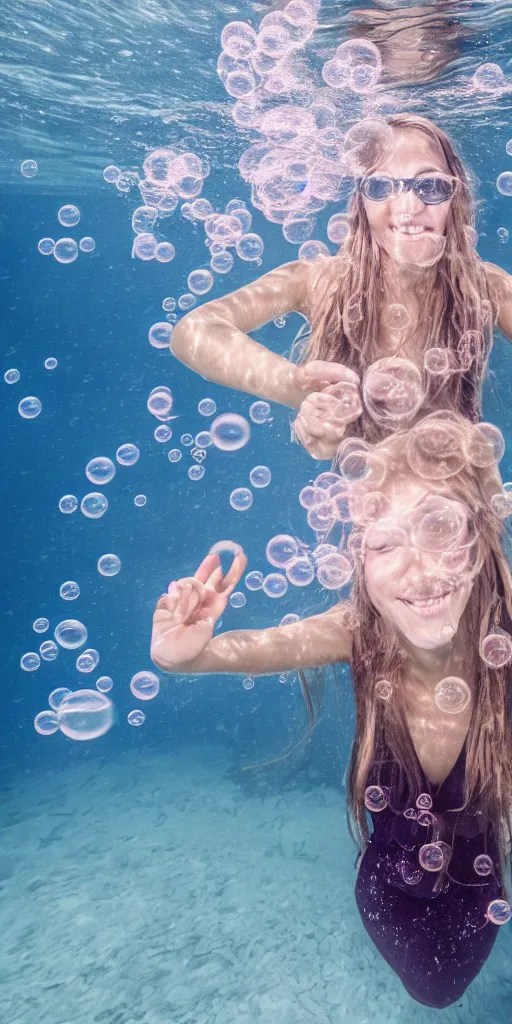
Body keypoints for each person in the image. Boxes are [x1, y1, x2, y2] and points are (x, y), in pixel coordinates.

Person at [150, 411, 512, 1008]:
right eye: (385, 542)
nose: (417, 568)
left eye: (440, 528)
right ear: (358, 568)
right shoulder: (359, 630)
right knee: (430, 985)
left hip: (479, 880)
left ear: (479, 543)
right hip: (388, 878)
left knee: (446, 987)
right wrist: (182, 656)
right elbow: (252, 650)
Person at [170, 113, 512, 456]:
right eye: (380, 186)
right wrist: (296, 386)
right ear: (361, 204)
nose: (408, 206)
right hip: (365, 496)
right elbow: (193, 331)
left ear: (457, 197)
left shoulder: (482, 286)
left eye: (431, 186)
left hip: (461, 494)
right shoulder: (318, 282)